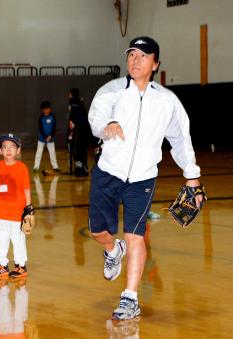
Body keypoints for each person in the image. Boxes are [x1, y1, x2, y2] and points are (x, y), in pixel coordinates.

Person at [87, 36, 204, 320]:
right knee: (98, 232)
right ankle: (113, 250)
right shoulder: (111, 91)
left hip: (143, 179)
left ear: (156, 63)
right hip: (108, 173)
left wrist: (192, 177)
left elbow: (180, 139)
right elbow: (96, 116)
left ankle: (130, 298)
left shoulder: (167, 101)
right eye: (131, 55)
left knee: (136, 236)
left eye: (143, 55)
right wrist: (107, 124)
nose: (135, 60)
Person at [0, 134, 32, 279]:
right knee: (1, 238)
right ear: (0, 151)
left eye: (12, 147)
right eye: (5, 147)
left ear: (18, 150)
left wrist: (29, 208)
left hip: (16, 212)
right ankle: (2, 265)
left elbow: (26, 189)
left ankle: (20, 265)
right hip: (1, 211)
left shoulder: (22, 168)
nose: (8, 150)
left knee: (18, 239)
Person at [67, 88, 90, 177]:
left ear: (72, 94)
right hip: (84, 130)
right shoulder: (80, 103)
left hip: (79, 130)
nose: (68, 95)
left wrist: (72, 130)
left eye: (69, 93)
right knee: (82, 150)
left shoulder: (73, 101)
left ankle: (79, 171)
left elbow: (73, 117)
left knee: (77, 150)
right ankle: (84, 170)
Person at [33, 101, 60, 173]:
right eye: (45, 109)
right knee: (39, 152)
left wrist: (51, 136)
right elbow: (40, 128)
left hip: (51, 138)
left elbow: (54, 127)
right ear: (42, 110)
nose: (47, 110)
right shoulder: (41, 117)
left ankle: (55, 167)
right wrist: (45, 137)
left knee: (52, 152)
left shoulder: (52, 116)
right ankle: (36, 167)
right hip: (42, 138)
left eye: (48, 109)